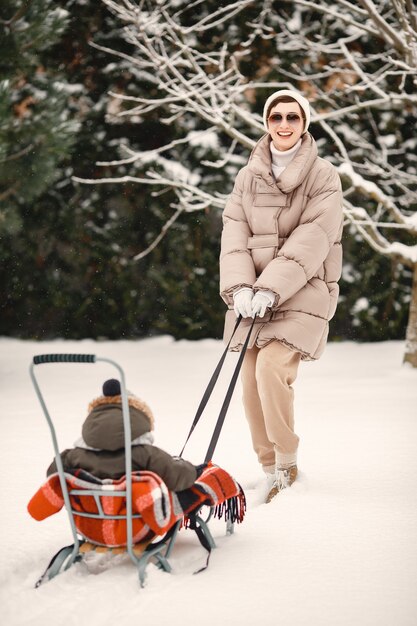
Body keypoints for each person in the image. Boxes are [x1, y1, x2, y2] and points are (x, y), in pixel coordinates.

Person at [219, 89, 343, 502]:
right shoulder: (247, 176)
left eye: (293, 117)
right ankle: (268, 468)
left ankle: (287, 466)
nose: (285, 125)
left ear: (305, 123)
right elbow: (234, 234)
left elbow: (314, 238)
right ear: (267, 122)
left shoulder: (323, 175)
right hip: (252, 296)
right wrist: (240, 288)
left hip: (303, 290)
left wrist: (270, 287)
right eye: (277, 117)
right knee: (250, 379)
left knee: (272, 367)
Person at [47, 378, 206, 492]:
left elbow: (52, 475)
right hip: (135, 524)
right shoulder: (144, 454)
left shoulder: (75, 456)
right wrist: (194, 470)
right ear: (138, 421)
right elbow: (175, 475)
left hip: (92, 522)